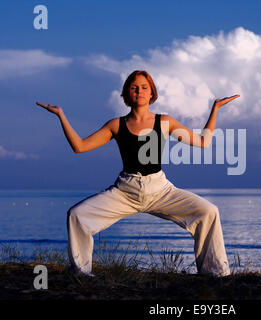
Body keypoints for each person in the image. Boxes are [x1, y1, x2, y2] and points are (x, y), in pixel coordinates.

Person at [36, 70, 240, 277]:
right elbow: (79, 146)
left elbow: (203, 142)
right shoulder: (116, 124)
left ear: (152, 93)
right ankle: (80, 272)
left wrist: (215, 109)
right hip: (125, 191)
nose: (139, 91)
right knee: (77, 215)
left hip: (160, 190)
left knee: (209, 211)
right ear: (126, 94)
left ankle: (216, 273)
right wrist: (61, 115)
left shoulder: (165, 122)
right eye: (134, 88)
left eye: (144, 87)